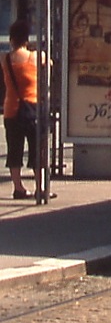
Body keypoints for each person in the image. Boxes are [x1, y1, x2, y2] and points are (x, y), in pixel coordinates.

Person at [4, 20, 42, 200]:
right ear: (27, 39)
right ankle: (40, 187)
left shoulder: (4, 59)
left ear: (11, 39)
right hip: (32, 109)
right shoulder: (35, 57)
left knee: (14, 150)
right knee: (37, 149)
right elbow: (49, 63)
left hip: (11, 110)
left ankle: (18, 188)